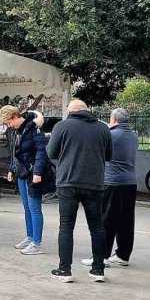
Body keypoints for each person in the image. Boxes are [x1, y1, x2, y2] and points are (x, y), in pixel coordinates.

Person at [46, 99, 112, 283]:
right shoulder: (103, 128)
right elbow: (109, 156)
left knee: (66, 226)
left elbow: (51, 153)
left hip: (68, 181)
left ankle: (64, 270)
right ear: (87, 110)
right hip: (95, 182)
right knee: (97, 227)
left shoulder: (62, 126)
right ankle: (98, 269)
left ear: (70, 111)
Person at [82, 108, 139, 268]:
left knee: (106, 219)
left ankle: (102, 256)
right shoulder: (133, 135)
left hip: (113, 182)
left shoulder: (112, 135)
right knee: (126, 220)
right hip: (130, 182)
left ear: (113, 119)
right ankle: (123, 255)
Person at [0, 106, 52, 256]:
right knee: (27, 207)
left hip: (32, 173)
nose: (8, 125)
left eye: (9, 122)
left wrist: (37, 171)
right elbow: (15, 152)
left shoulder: (34, 128)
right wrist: (11, 168)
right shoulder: (17, 130)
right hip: (22, 172)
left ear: (15, 116)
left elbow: (41, 151)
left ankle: (36, 243)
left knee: (34, 207)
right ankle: (30, 237)